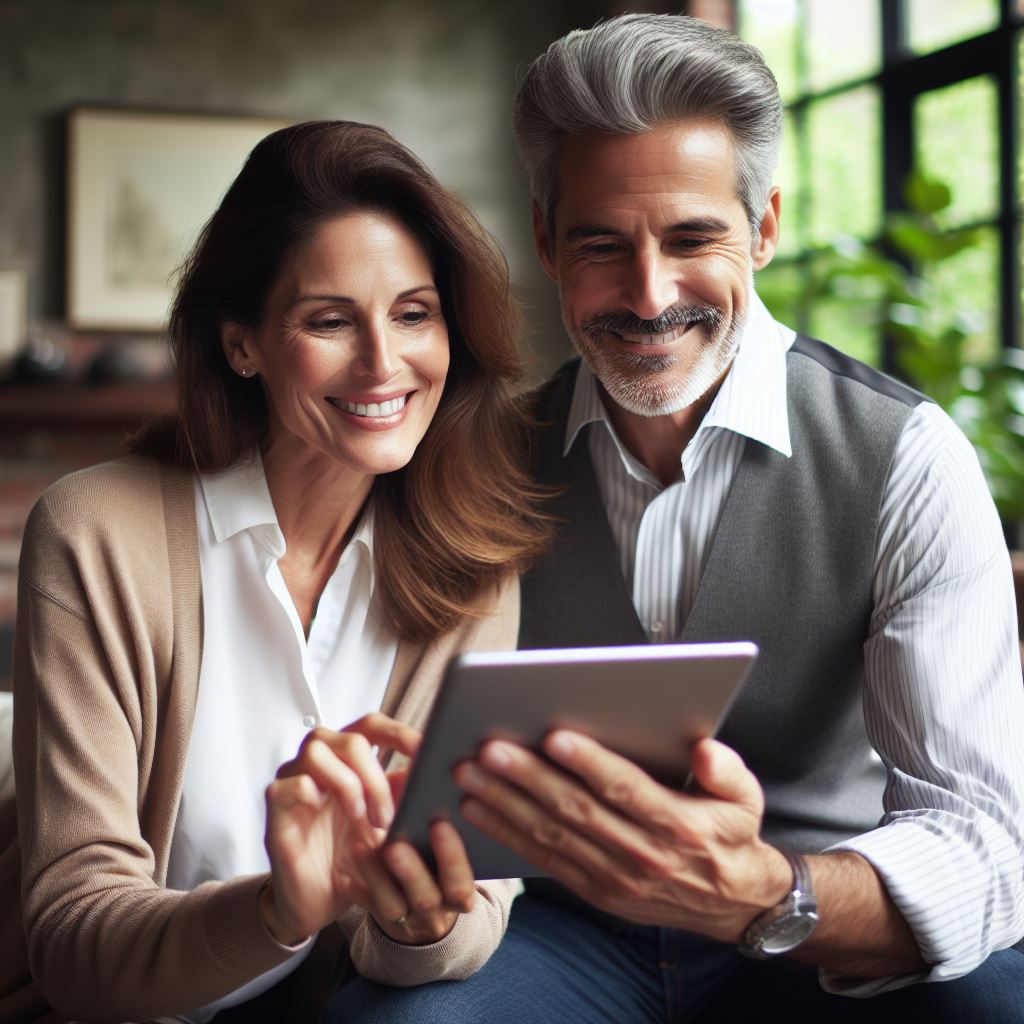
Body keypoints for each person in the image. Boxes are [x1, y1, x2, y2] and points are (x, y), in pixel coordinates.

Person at [324, 14, 1024, 1023]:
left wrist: (759, 891)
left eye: (693, 238)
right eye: (602, 245)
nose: (648, 296)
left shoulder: (907, 460)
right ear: (544, 241)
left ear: (767, 226)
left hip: (806, 925)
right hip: (553, 933)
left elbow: (987, 846)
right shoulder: (475, 462)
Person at [0, 120, 550, 1024]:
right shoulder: (96, 531)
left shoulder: (472, 566)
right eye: (329, 321)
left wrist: (421, 922)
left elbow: (468, 909)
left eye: (414, 312)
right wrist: (279, 911)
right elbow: (71, 942)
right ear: (241, 344)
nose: (384, 362)